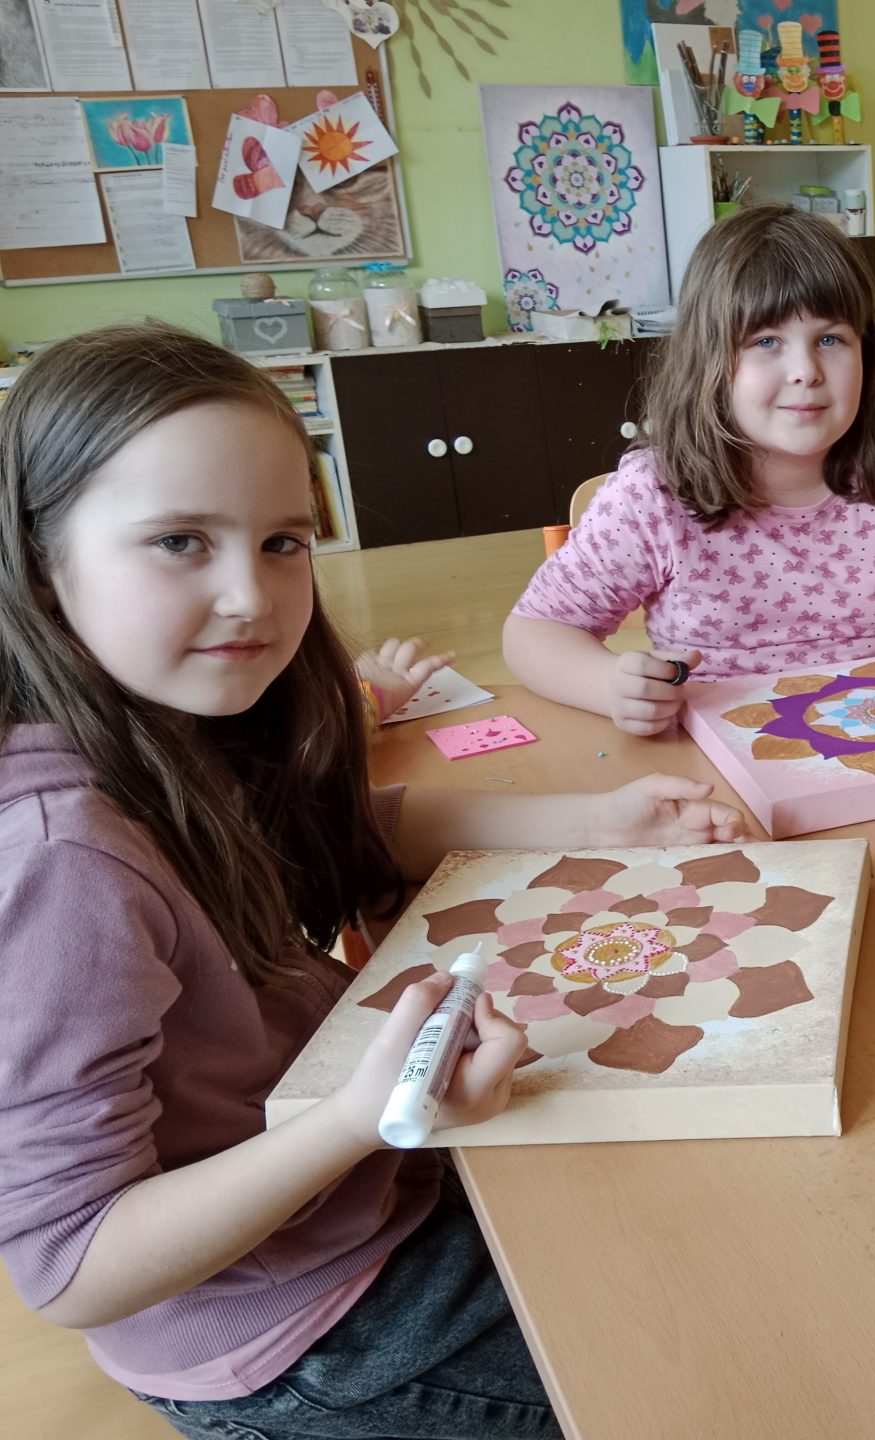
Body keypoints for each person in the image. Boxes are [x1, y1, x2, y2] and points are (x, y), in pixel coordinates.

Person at [0, 322, 744, 1439]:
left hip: (354, 1194)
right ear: (39, 564)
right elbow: (73, 1267)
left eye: (283, 541)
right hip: (303, 1330)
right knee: (702, 1374)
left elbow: (349, 833)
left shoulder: (170, 717)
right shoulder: (59, 860)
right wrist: (362, 1120)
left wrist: (599, 822)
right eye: (178, 542)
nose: (252, 596)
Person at [505, 205, 875, 737]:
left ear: (867, 353)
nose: (806, 370)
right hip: (717, 766)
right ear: (708, 358)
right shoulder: (653, 494)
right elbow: (535, 633)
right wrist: (608, 686)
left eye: (830, 339)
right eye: (767, 341)